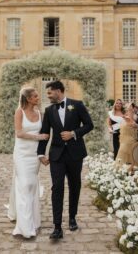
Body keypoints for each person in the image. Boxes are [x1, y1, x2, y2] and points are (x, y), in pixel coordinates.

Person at [37, 80, 93, 239]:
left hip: (75, 154)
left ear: (59, 91)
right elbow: (45, 132)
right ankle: (57, 227)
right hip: (57, 155)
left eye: (49, 93)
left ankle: (72, 217)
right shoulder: (48, 110)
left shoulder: (77, 105)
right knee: (57, 188)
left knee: (75, 186)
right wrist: (41, 153)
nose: (47, 96)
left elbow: (89, 125)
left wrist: (74, 133)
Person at [7, 87, 49, 238]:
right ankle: (25, 228)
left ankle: (33, 220)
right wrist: (38, 137)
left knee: (32, 185)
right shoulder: (19, 112)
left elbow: (45, 134)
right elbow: (19, 133)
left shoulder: (39, 113)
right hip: (22, 154)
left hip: (34, 155)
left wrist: (42, 154)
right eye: (36, 96)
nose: (38, 98)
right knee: (25, 185)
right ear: (28, 98)